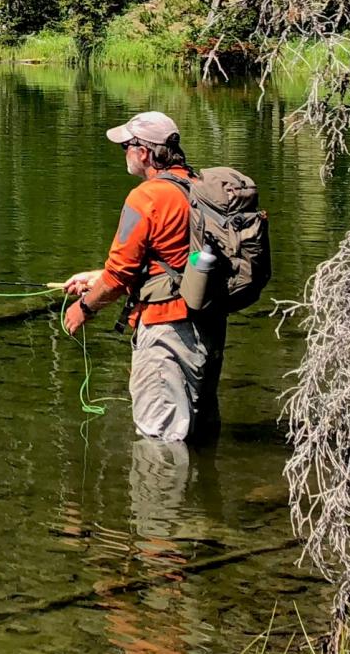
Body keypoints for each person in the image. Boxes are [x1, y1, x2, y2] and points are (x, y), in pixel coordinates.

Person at [60, 110, 226, 445]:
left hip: (167, 329)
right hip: (208, 324)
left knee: (159, 441)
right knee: (198, 435)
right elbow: (174, 258)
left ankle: (161, 498)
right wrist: (97, 276)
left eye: (126, 146)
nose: (124, 152)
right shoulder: (196, 186)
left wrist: (84, 308)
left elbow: (119, 276)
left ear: (144, 152)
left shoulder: (147, 197)